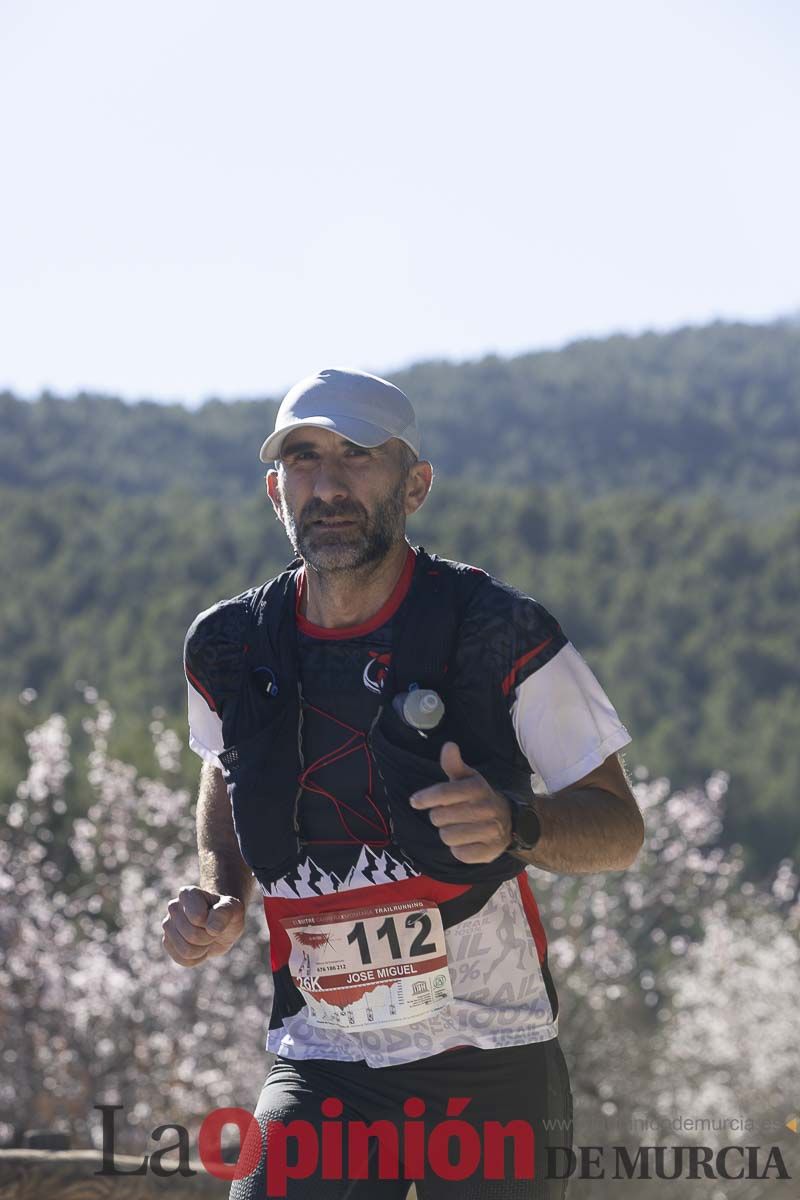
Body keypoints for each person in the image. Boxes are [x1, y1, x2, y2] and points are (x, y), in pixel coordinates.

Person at [162, 367, 644, 1199]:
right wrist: (220, 889)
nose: (330, 484)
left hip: (492, 1058)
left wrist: (515, 824)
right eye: (305, 460)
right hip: (323, 1059)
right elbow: (224, 767)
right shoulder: (228, 648)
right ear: (275, 490)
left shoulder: (501, 631)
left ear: (414, 484)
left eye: (359, 456)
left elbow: (619, 827)